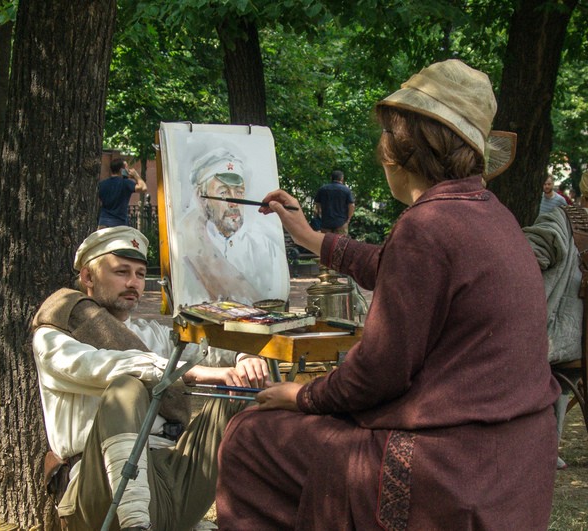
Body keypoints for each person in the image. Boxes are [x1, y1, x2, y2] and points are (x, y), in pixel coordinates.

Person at [215, 59, 561, 529]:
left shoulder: (428, 227)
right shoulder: (490, 216)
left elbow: (376, 374)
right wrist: (313, 239)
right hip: (515, 463)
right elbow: (397, 268)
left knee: (249, 437)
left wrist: (304, 396)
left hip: (449, 471)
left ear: (399, 149)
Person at [31, 226, 269, 530]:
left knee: (244, 390)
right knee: (126, 388)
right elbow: (99, 365)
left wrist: (243, 357)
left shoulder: (150, 333)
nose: (133, 283)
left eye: (141, 274)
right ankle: (135, 523)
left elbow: (207, 350)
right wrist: (188, 372)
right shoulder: (55, 335)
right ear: (88, 278)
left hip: (172, 477)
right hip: (97, 490)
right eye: (122, 272)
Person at [523, 170, 588, 470]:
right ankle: (545, 447)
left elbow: (524, 254)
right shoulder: (565, 220)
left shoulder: (567, 219)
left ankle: (544, 447)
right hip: (567, 342)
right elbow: (531, 251)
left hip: (567, 341)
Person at [177, 147, 290, 306]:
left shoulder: (264, 247)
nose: (234, 202)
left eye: (239, 192)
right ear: (201, 198)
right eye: (223, 192)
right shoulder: (185, 249)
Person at [98, 158, 147, 228]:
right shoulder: (126, 183)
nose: (128, 170)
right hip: (119, 224)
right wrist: (136, 176)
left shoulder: (102, 184)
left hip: (103, 222)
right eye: (127, 168)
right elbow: (143, 188)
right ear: (122, 170)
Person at [313, 169, 355, 234]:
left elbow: (317, 205)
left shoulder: (322, 189)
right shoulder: (346, 190)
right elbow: (351, 205)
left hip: (325, 223)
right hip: (341, 223)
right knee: (340, 243)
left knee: (326, 243)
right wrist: (348, 219)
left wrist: (318, 217)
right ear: (342, 178)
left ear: (331, 178)